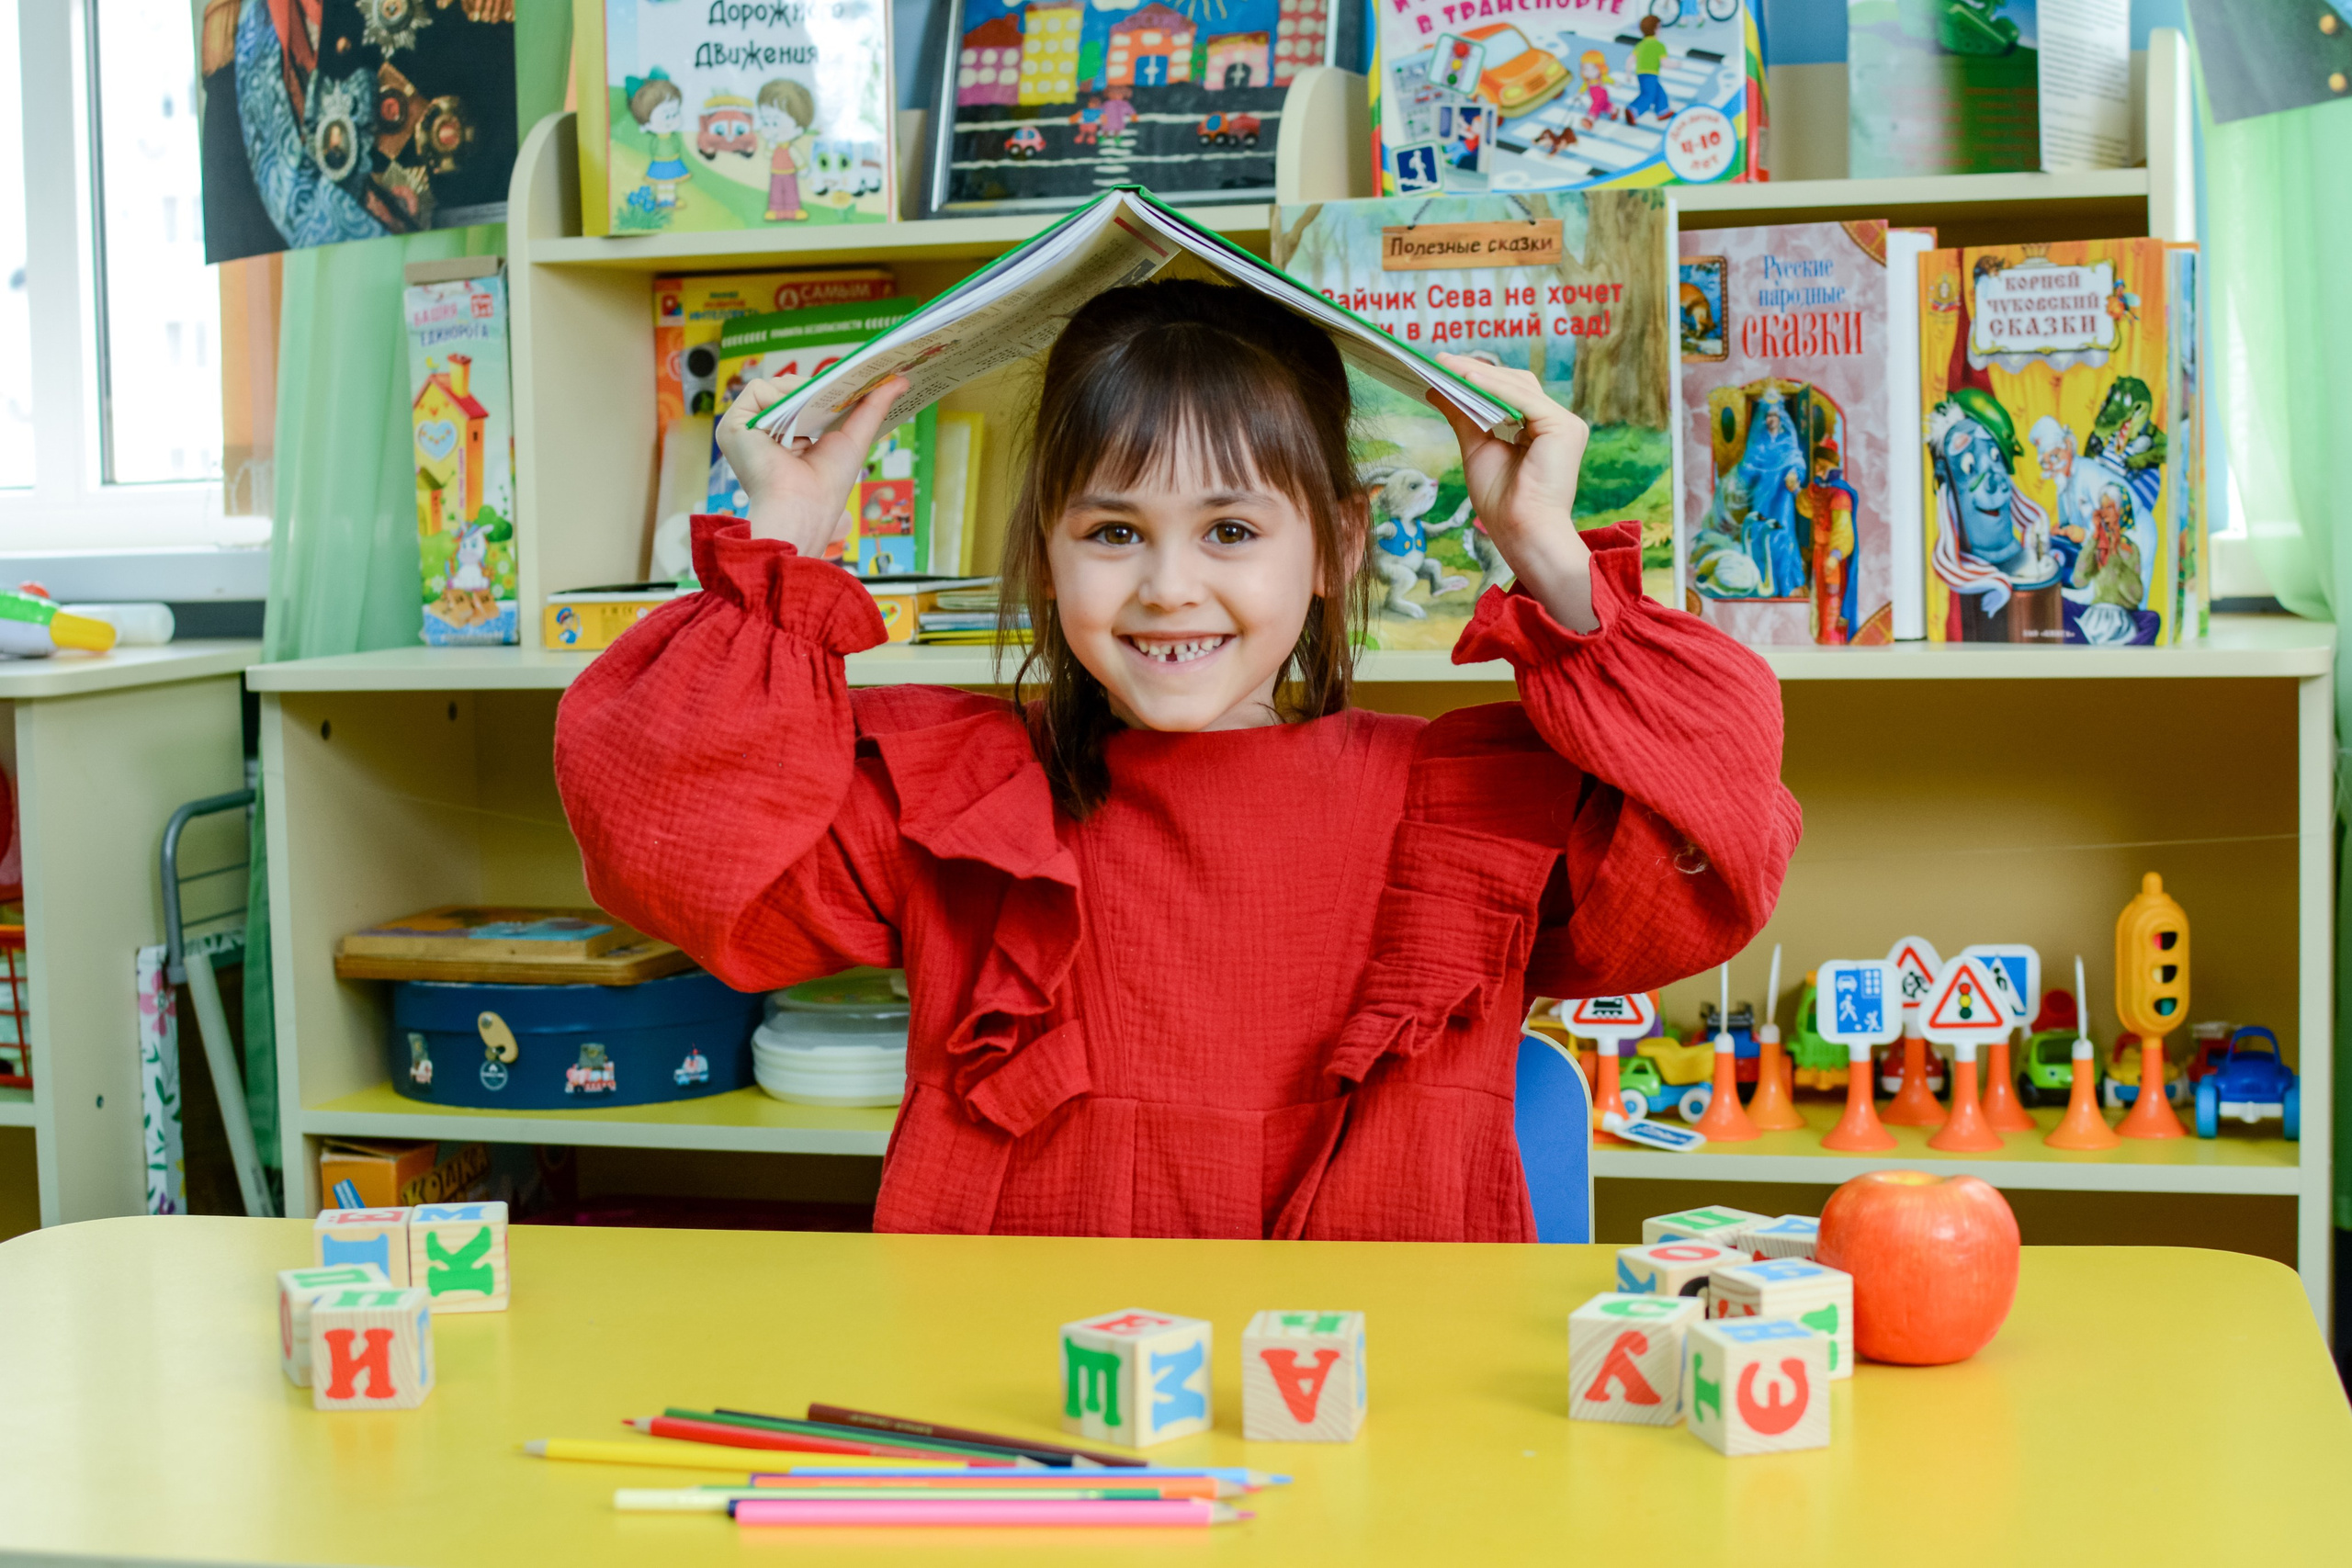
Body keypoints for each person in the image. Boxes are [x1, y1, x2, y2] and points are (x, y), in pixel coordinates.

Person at [554, 280, 1799, 1241]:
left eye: (1232, 529)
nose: (1167, 586)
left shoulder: (1459, 810)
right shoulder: (964, 801)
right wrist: (783, 534)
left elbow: (1719, 846)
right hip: (1024, 1409)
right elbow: (660, 844)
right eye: (1112, 531)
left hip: (1380, 1407)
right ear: (1045, 554)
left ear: (1338, 547)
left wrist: (1545, 549)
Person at [1626, 16, 1672, 123]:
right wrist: (1677, 64)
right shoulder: (1659, 45)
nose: (1660, 30)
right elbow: (1665, 63)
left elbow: (1630, 59)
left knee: (1659, 92)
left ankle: (1663, 111)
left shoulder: (1641, 44)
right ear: (1655, 29)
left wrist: (1628, 73)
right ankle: (1633, 110)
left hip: (1641, 73)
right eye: (1659, 27)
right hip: (1651, 73)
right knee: (1648, 95)